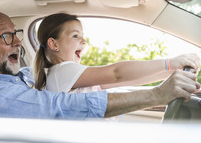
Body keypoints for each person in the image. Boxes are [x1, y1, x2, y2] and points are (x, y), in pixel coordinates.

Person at [0, 4, 200, 119]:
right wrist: (161, 85)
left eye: (16, 33)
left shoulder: (24, 76)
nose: (16, 42)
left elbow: (117, 80)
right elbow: (114, 74)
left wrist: (169, 76)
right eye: (6, 36)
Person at [34, 12, 200, 94]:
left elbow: (130, 79)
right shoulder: (62, 71)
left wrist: (171, 73)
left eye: (83, 37)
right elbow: (116, 73)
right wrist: (169, 63)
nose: (84, 41)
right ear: (53, 44)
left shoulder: (69, 75)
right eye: (75, 36)